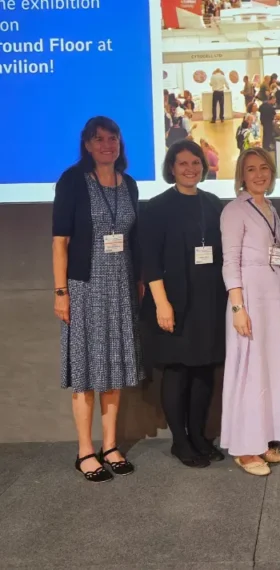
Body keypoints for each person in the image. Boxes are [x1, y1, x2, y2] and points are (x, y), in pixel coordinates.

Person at [52, 116, 143, 482]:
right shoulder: (73, 180)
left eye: (113, 138)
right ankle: (85, 451)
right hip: (85, 287)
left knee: (114, 368)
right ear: (87, 145)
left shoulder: (130, 184)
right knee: (87, 371)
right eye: (99, 139)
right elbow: (61, 242)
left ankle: (109, 445)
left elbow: (133, 239)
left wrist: (137, 281)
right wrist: (61, 293)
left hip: (121, 287)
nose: (108, 144)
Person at [141, 140, 227, 469]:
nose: (190, 168)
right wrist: (162, 304)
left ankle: (200, 436)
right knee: (177, 372)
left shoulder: (214, 203)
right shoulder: (157, 207)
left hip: (209, 300)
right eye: (182, 163)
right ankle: (180, 440)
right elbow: (149, 261)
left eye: (195, 162)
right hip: (173, 301)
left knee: (204, 370)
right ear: (171, 168)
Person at [220, 148, 280, 476]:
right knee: (249, 369)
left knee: (269, 367)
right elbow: (230, 262)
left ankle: (263, 437)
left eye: (264, 168)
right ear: (241, 174)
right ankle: (244, 447)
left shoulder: (271, 207)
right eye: (251, 169)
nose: (258, 174)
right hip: (250, 297)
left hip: (274, 296)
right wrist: (238, 307)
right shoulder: (234, 210)